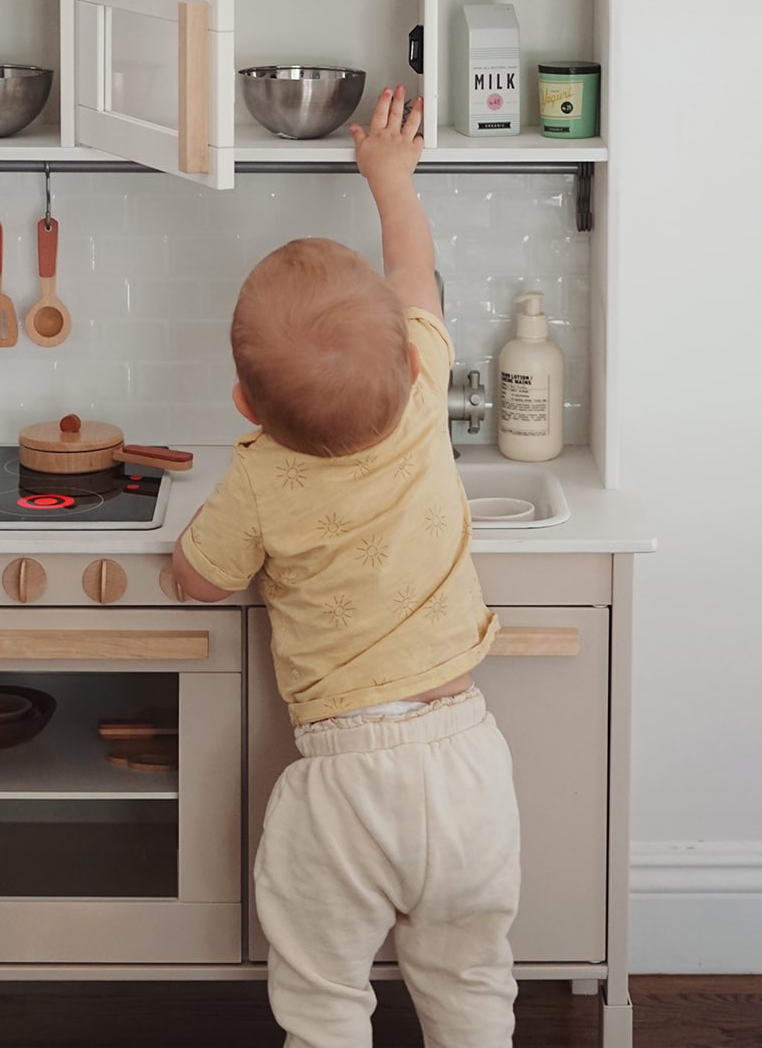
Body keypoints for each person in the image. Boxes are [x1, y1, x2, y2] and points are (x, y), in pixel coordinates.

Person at [172, 84, 521, 1048]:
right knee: (472, 985)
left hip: (346, 784)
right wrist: (388, 175)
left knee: (326, 1002)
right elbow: (414, 270)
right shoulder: (421, 397)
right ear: (415, 365)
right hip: (467, 765)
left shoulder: (259, 478)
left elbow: (200, 578)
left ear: (246, 405)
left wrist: (184, 560)